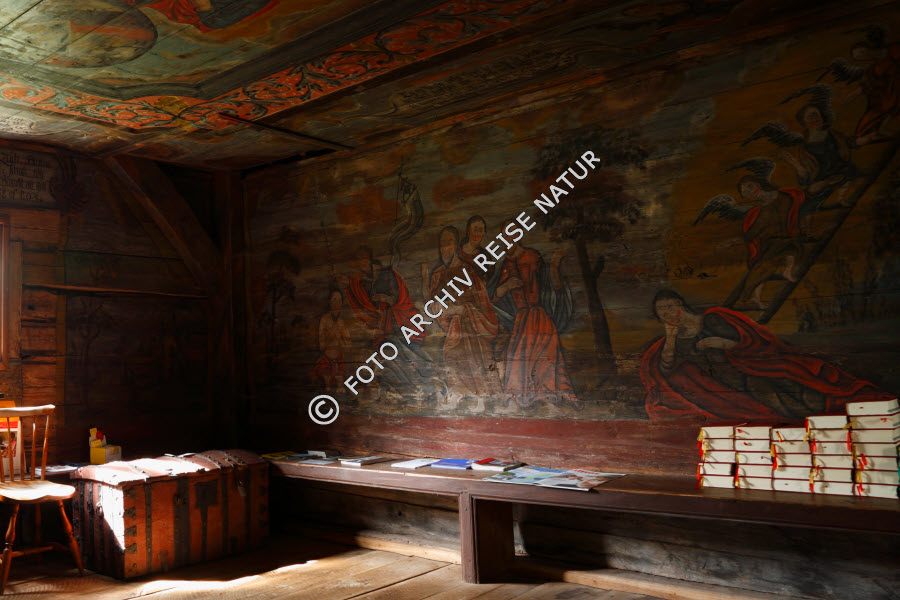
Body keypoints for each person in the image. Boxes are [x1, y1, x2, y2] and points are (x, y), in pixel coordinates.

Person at [640, 289, 893, 420]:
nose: (667, 313)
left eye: (669, 307)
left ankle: (836, 409)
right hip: (730, 385)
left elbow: (753, 339)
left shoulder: (714, 317)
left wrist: (723, 343)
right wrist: (671, 338)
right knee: (769, 398)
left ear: (680, 303)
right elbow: (666, 368)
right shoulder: (674, 339)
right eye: (662, 312)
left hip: (755, 366)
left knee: (789, 385)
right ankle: (820, 418)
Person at [492, 220, 578, 409]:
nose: (509, 238)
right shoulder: (506, 264)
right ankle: (521, 395)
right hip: (521, 319)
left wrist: (554, 266)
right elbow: (494, 297)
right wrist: (506, 286)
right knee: (519, 357)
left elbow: (551, 285)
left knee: (546, 354)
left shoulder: (533, 256)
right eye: (505, 235)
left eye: (513, 233)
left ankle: (546, 394)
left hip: (539, 315)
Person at [422, 227, 501, 408]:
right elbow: (432, 304)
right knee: (451, 358)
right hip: (453, 326)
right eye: (442, 244)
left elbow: (481, 301)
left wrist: (460, 309)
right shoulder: (438, 274)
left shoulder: (467, 271)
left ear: (457, 245)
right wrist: (425, 280)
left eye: (449, 243)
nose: (445, 248)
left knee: (474, 359)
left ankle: (481, 399)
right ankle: (457, 395)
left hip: (471, 325)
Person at [344, 246, 432, 391]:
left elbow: (397, 297)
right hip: (387, 324)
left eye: (363, 258)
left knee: (410, 349)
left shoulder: (386, 274)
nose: (361, 263)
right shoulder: (365, 282)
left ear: (370, 258)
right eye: (358, 261)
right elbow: (370, 304)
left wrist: (384, 299)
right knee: (391, 355)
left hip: (402, 318)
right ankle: (408, 387)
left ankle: (425, 376)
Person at [311, 289, 350, 392]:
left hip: (339, 359)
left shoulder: (342, 322)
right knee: (327, 385)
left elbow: (348, 345)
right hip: (327, 359)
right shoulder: (324, 320)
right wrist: (332, 334)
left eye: (339, 300)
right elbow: (321, 345)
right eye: (334, 299)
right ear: (330, 302)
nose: (337, 303)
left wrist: (340, 338)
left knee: (340, 385)